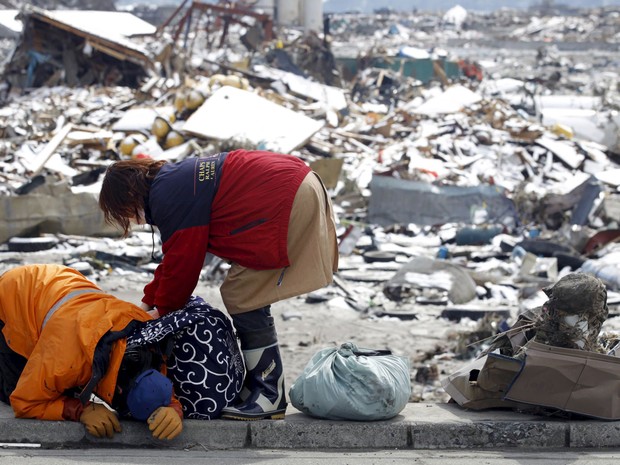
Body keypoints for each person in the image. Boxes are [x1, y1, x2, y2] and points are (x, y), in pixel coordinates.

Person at [98, 149, 339, 420]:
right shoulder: (172, 182)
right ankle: (258, 386)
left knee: (243, 292)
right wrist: (145, 305)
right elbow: (176, 256)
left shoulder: (167, 196)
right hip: (297, 181)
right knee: (246, 290)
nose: (133, 220)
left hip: (286, 195)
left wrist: (160, 315)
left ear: (129, 196)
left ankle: (269, 393)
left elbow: (184, 267)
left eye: (125, 213)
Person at [0, 264, 183, 440]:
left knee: (67, 383)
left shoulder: (148, 344)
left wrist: (173, 409)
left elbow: (153, 384)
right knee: (16, 391)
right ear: (118, 391)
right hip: (13, 293)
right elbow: (25, 402)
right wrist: (80, 410)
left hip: (60, 286)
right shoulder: (65, 358)